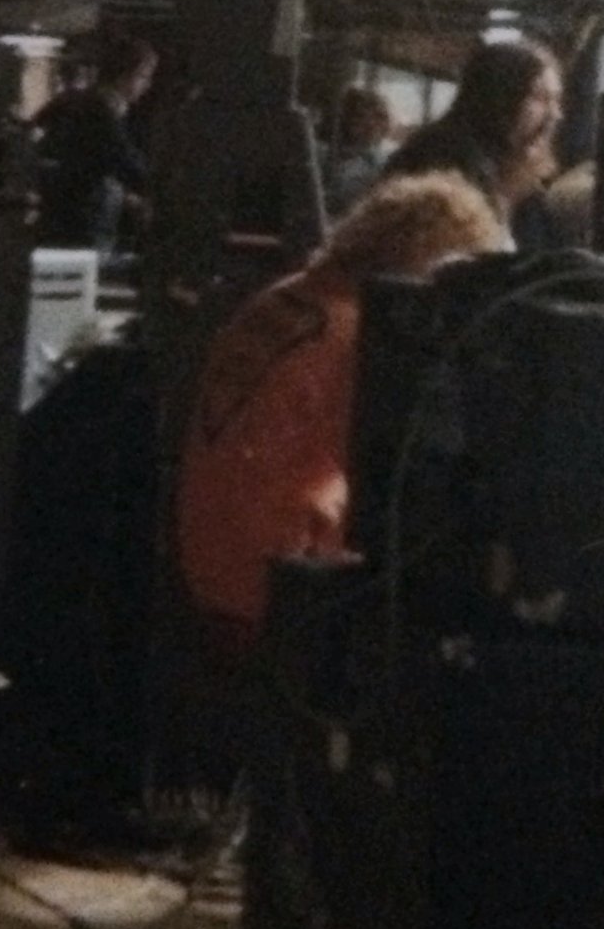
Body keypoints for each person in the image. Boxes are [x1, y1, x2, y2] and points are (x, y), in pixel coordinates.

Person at [174, 171, 506, 653]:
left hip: (210, 568)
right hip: (271, 592)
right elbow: (392, 483)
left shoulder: (286, 297)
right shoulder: (358, 336)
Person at [384, 36, 564, 250]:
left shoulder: (518, 173)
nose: (555, 114)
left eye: (556, 100)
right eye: (539, 97)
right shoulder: (444, 162)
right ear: (499, 97)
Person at [33, 35, 158, 251]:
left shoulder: (75, 101)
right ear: (123, 76)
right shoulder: (101, 112)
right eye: (143, 76)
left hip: (57, 215)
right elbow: (128, 163)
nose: (147, 85)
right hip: (83, 223)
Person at [323, 84, 395, 216]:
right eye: (360, 116)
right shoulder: (325, 155)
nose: (370, 124)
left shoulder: (388, 158)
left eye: (378, 116)